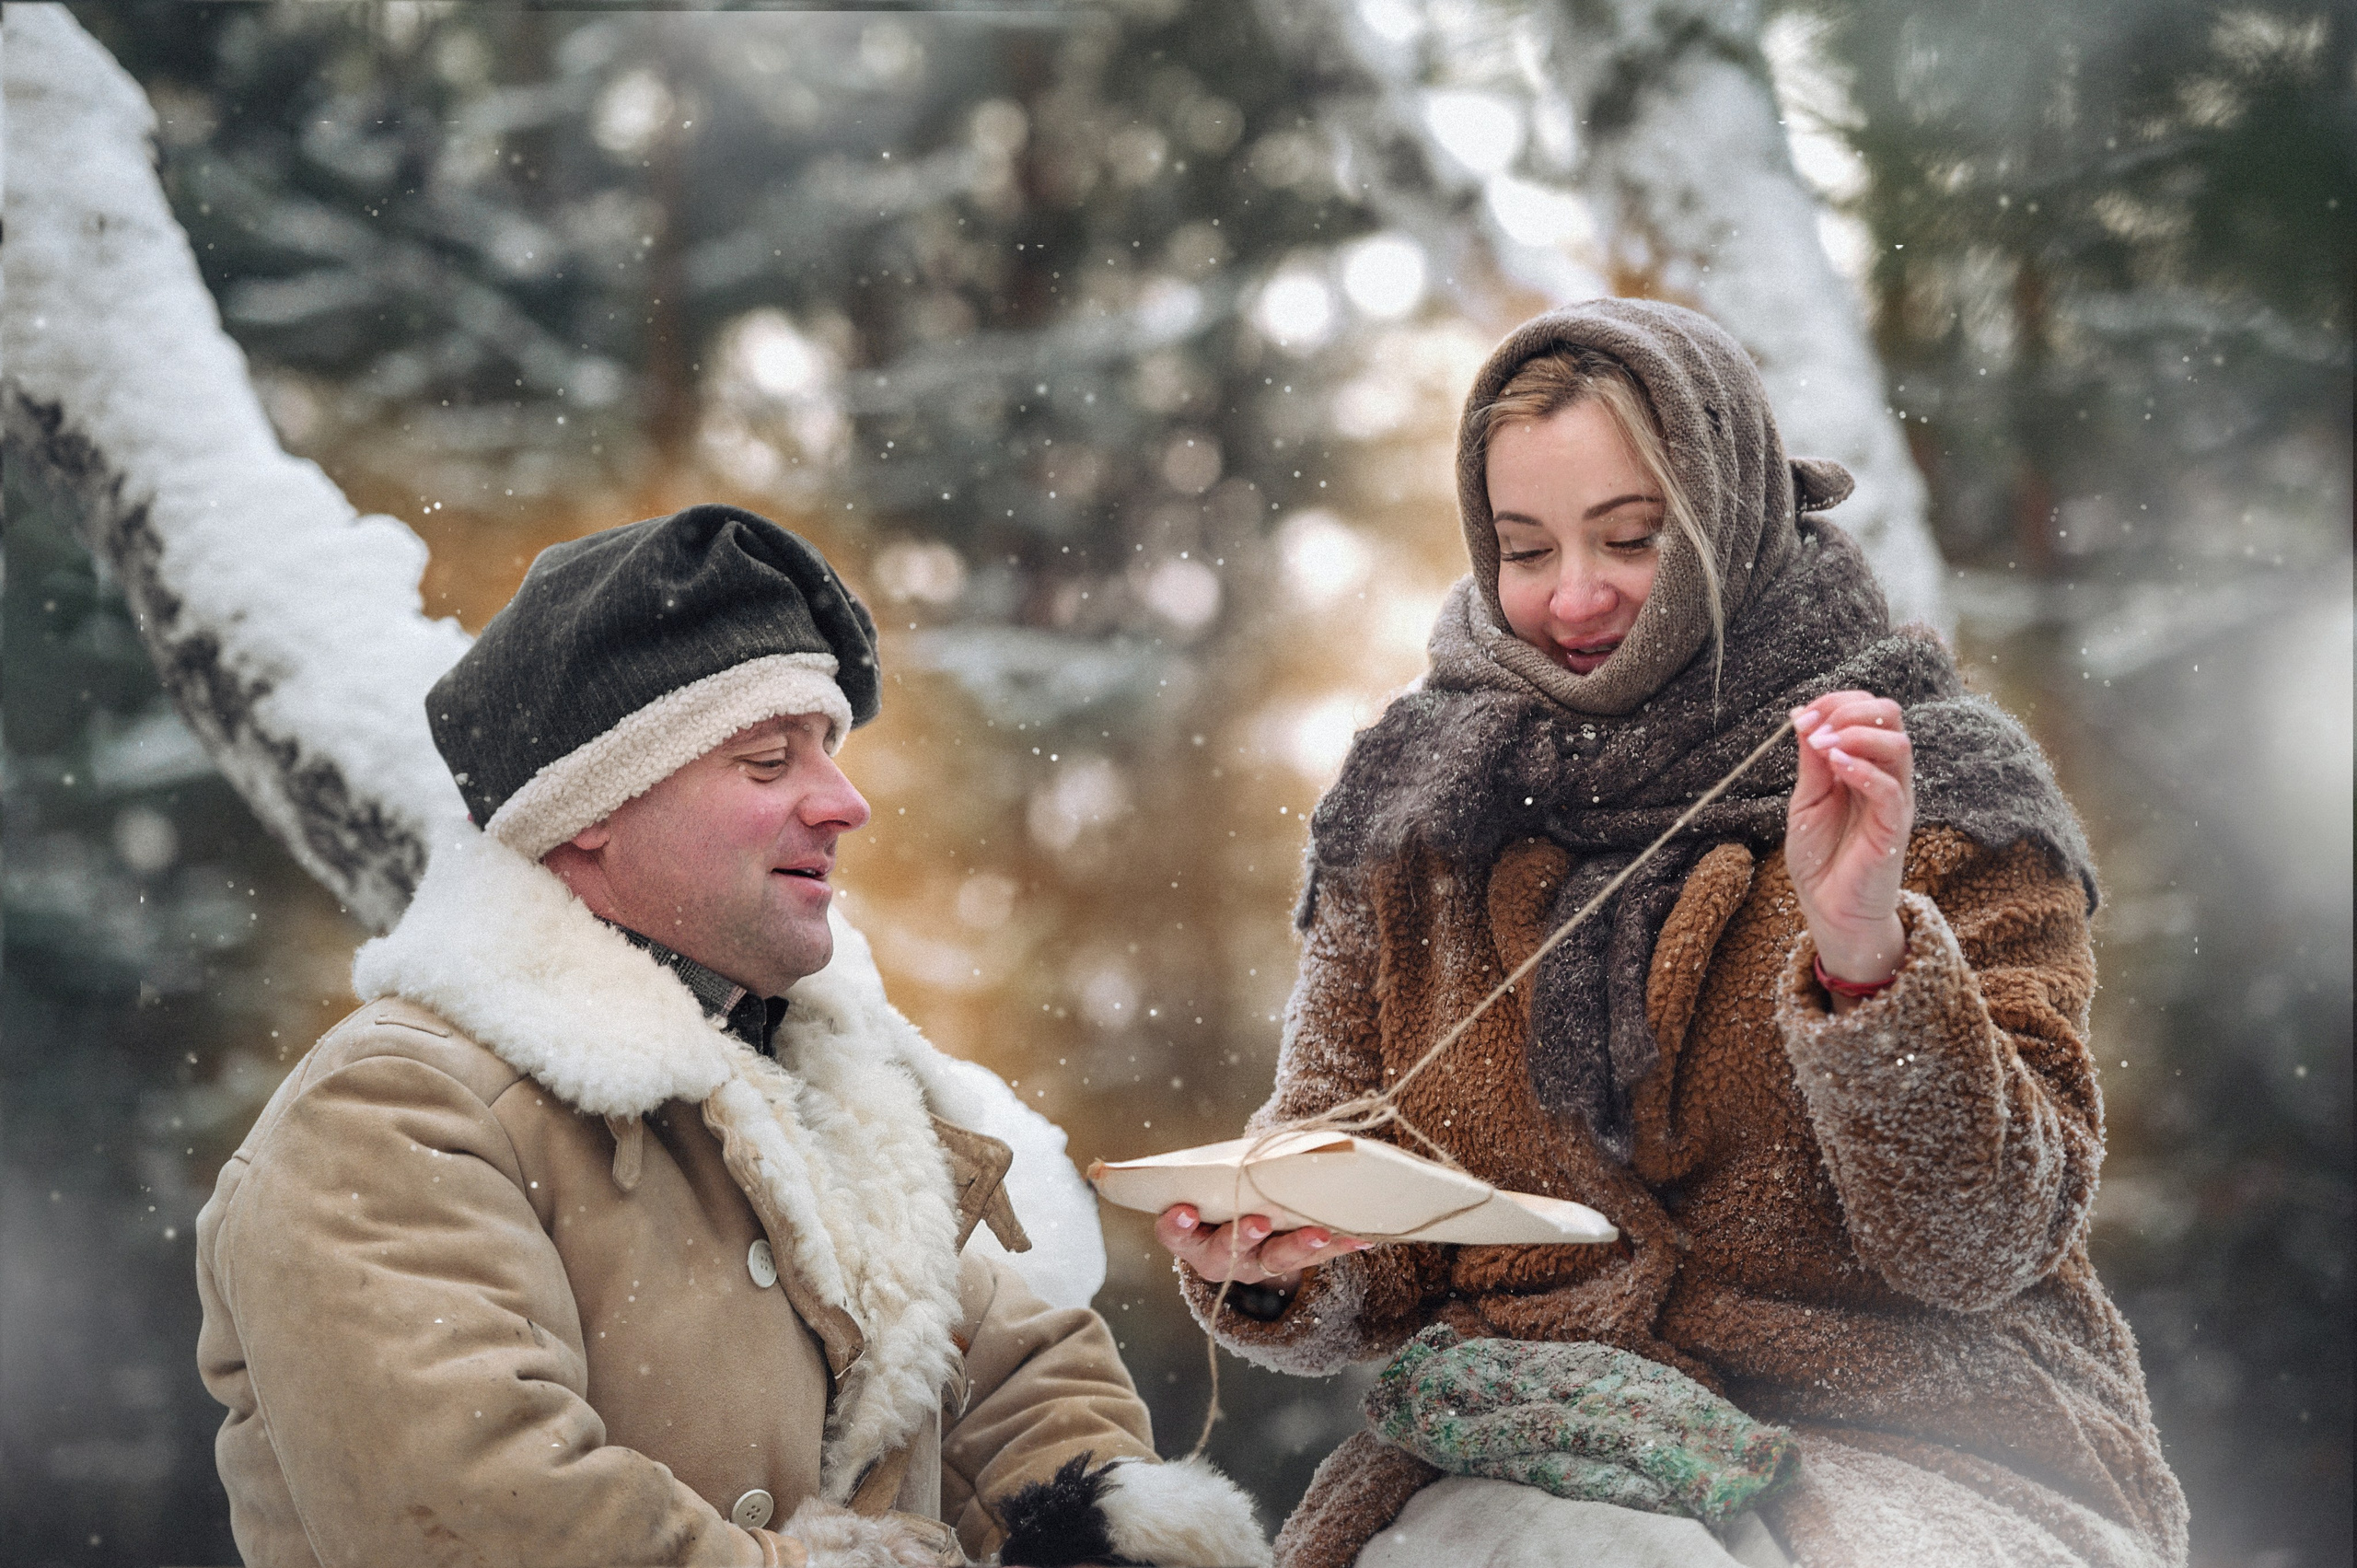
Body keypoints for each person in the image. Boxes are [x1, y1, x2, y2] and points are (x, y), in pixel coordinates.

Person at [1157, 302, 2189, 1568]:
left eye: (1632, 536)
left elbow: (1982, 1242)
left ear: (1730, 508)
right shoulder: (1412, 808)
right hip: (1545, 1446)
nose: (1575, 595)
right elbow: (1359, 1205)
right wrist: (1279, 1251)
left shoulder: (1936, 785)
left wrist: (1866, 946)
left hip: (1926, 1443)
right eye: (1525, 549)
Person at [195, 505, 1270, 1568]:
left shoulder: (841, 1096)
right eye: (767, 760)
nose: (844, 801)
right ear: (591, 810)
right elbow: (479, 1519)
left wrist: (1103, 1533)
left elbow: (1014, 1368)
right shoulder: (393, 1113)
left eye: (829, 752)